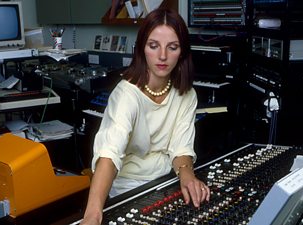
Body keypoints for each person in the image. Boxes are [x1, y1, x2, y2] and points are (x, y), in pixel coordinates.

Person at [80, 7, 210, 225]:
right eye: (154, 46)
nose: (162, 56)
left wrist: (187, 174)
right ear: (142, 48)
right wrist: (92, 215)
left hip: (167, 180)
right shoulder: (126, 94)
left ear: (182, 52)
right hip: (128, 187)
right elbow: (109, 154)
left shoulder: (187, 95)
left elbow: (180, 147)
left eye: (173, 47)